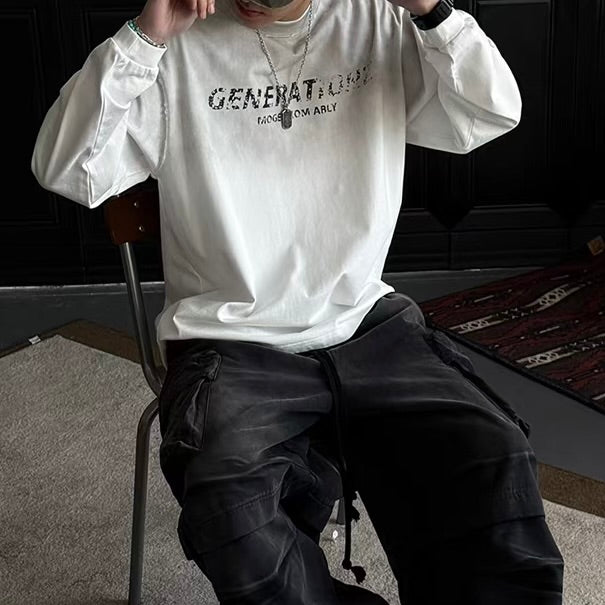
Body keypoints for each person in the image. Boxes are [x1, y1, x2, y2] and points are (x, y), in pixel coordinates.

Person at [31, 0, 565, 602]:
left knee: (492, 455)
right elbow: (68, 170)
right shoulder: (175, 41)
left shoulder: (375, 19)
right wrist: (144, 38)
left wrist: (430, 11)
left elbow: (490, 113)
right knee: (231, 507)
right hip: (231, 337)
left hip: (366, 321)